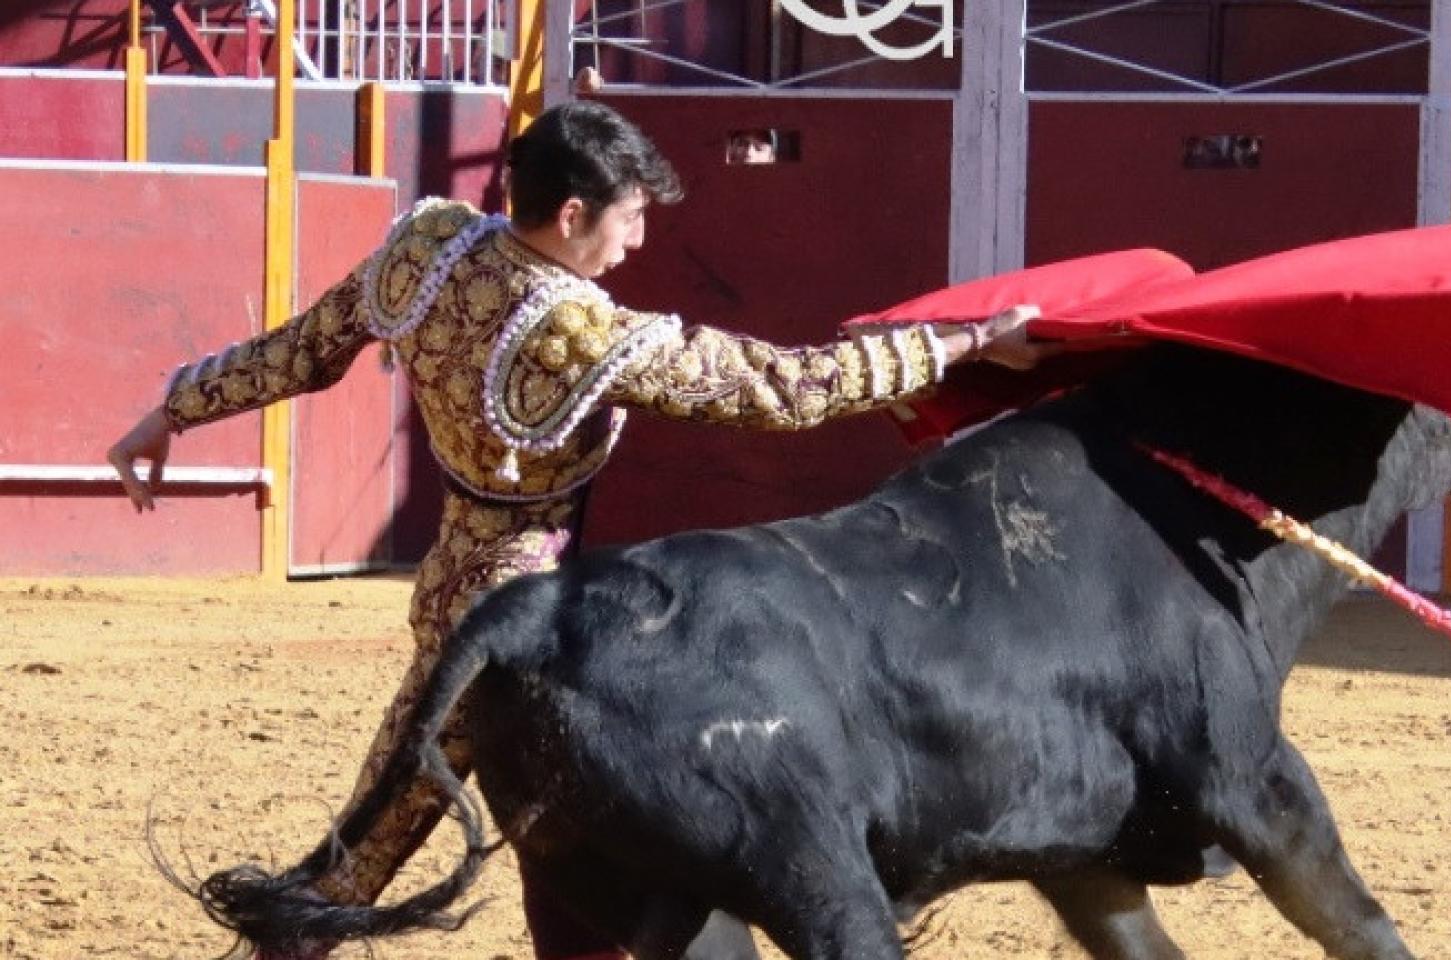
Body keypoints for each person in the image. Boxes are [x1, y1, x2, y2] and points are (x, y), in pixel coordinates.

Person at [106, 100, 1045, 960]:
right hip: (521, 612)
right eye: (629, 217)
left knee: (452, 809)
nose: (635, 242)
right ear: (570, 217)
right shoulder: (577, 334)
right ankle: (295, 930)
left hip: (455, 581)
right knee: (398, 834)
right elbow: (781, 388)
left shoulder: (429, 248)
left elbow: (303, 348)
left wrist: (174, 409)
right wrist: (957, 344)